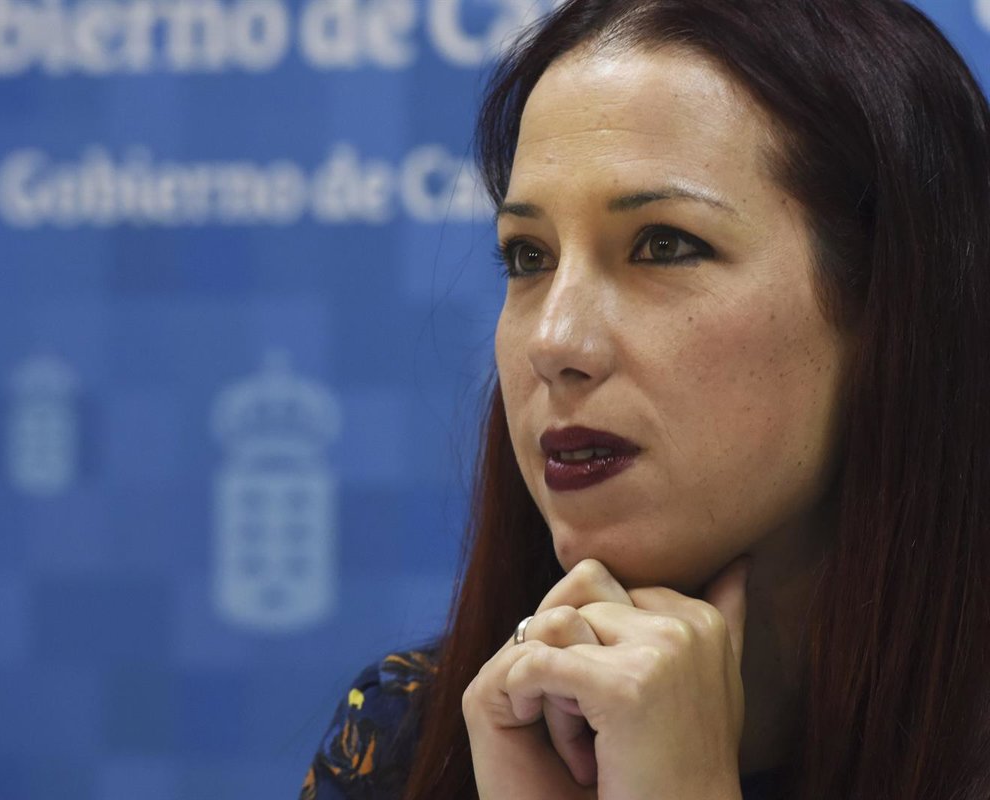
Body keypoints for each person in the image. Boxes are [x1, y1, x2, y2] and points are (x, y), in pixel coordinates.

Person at [301, 0, 990, 797]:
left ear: (888, 308)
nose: (554, 342)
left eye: (663, 245)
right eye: (528, 256)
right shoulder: (409, 740)